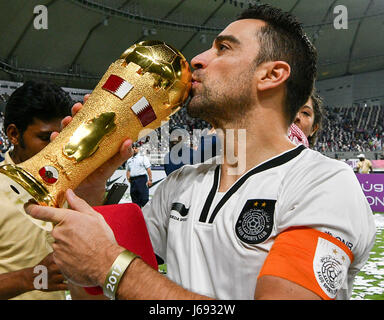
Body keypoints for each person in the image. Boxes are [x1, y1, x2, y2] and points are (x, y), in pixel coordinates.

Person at [27, 4, 376, 300]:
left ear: (272, 74)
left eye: (223, 48)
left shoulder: (325, 184)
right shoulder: (179, 185)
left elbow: (117, 271)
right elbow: (100, 290)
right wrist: (88, 183)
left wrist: (111, 264)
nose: (197, 59)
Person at [0, 80, 72, 299]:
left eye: (62, 138)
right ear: (14, 134)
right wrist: (32, 277)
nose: (57, 149)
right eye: (45, 138)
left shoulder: (70, 187)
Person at [126, 142, 152, 207]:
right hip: (133, 181)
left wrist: (150, 180)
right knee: (135, 200)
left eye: (136, 148)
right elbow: (128, 170)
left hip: (142, 180)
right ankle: (137, 215)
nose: (134, 149)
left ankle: (146, 216)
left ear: (138, 149)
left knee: (144, 200)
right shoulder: (129, 160)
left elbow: (148, 169)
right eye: (133, 148)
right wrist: (128, 178)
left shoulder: (143, 158)